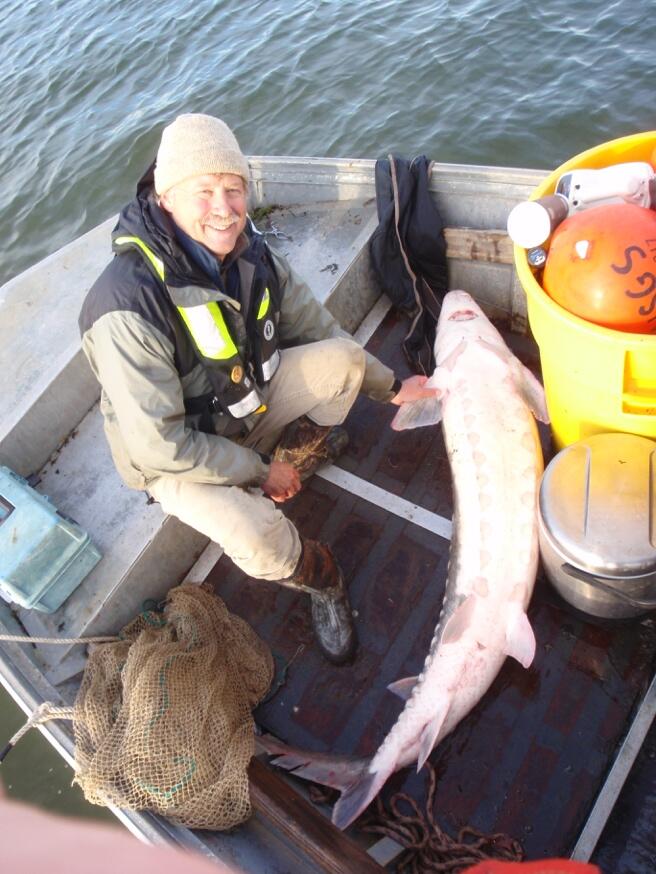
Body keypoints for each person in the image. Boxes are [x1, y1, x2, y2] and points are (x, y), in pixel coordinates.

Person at [79, 113, 434, 665]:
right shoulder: (126, 305)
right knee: (257, 537)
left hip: (242, 410)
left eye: (234, 188)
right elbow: (159, 446)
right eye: (204, 191)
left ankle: (293, 462)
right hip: (177, 460)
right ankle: (324, 582)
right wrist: (258, 471)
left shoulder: (249, 252)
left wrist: (390, 389)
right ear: (166, 197)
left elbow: (315, 325)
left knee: (342, 362)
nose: (224, 207)